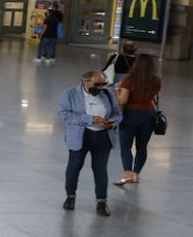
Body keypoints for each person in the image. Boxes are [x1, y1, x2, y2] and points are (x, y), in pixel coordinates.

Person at [58, 70, 120, 216]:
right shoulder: (69, 94)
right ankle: (70, 197)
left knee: (100, 169)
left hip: (103, 137)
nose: (100, 88)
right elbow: (63, 114)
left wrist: (112, 123)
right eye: (97, 84)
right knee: (74, 166)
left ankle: (101, 202)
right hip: (81, 135)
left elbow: (118, 113)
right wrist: (90, 119)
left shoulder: (107, 94)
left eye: (103, 84)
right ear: (86, 82)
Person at [115, 54, 160, 186]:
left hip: (130, 115)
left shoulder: (128, 80)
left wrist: (117, 89)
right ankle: (136, 174)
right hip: (149, 115)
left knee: (125, 146)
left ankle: (128, 173)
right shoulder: (157, 80)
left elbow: (123, 100)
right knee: (142, 147)